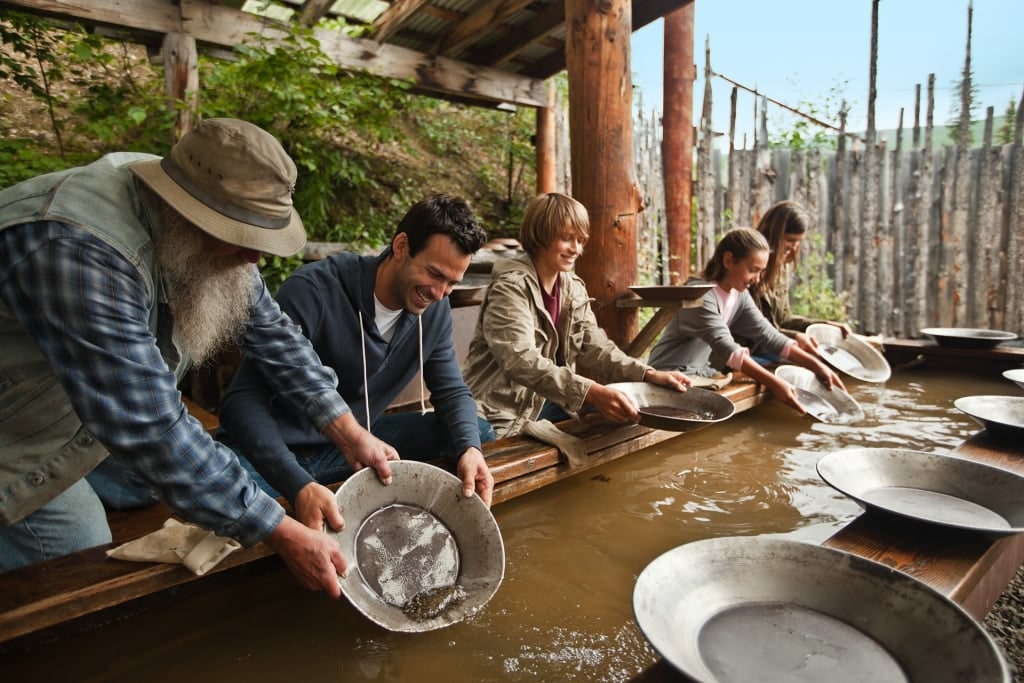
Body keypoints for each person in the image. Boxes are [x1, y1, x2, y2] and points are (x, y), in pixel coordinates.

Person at [0, 118, 395, 596]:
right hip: (16, 426)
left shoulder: (204, 218)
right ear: (184, 212)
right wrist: (277, 529)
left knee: (157, 487)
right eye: (242, 237)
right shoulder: (80, 248)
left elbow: (273, 334)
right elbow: (146, 424)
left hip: (69, 398)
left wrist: (347, 429)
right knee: (82, 561)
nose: (256, 260)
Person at [217, 194, 496, 506]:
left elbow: (451, 391)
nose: (439, 293)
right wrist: (297, 484)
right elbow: (241, 404)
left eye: (452, 283)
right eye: (434, 274)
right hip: (275, 450)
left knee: (474, 436)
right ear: (401, 246)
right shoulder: (314, 290)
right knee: (219, 495)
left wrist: (470, 449)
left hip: (353, 447)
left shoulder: (434, 308)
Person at [461, 192, 692, 438]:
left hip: (542, 402)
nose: (576, 249)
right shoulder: (511, 287)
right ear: (541, 235)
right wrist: (590, 391)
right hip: (496, 408)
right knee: (484, 435)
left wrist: (648, 373)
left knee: (624, 408)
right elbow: (519, 359)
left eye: (581, 240)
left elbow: (596, 348)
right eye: (567, 239)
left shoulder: (572, 286)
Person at [647, 227, 845, 415]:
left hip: (698, 374)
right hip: (667, 375)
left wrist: (818, 366)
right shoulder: (700, 295)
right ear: (728, 260)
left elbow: (768, 335)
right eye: (752, 270)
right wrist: (776, 384)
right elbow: (729, 349)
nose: (757, 279)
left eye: (760, 271)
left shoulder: (738, 295)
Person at [750, 200, 852, 356]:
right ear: (773, 234)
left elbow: (784, 320)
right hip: (751, 350)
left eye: (798, 242)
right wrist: (795, 337)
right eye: (790, 240)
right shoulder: (750, 271)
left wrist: (823, 326)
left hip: (774, 347)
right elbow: (754, 330)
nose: (794, 247)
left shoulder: (782, 268)